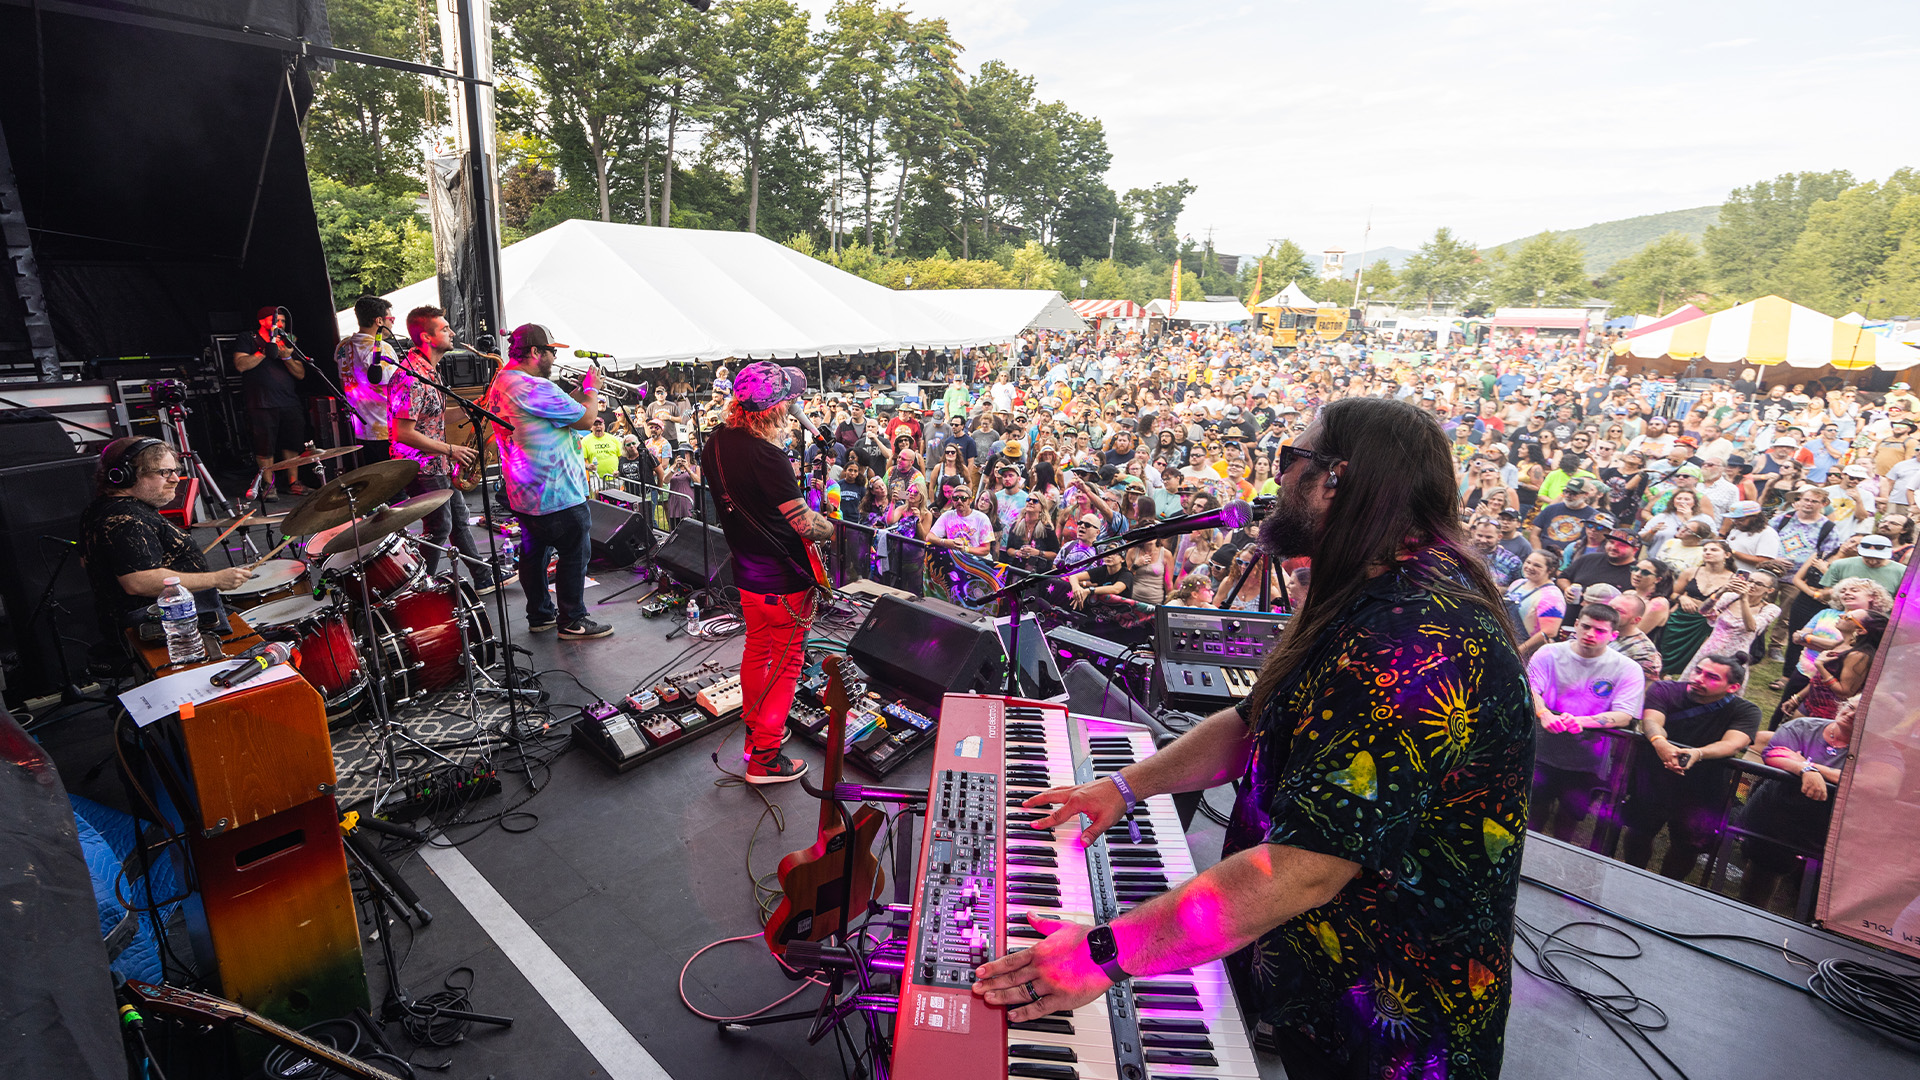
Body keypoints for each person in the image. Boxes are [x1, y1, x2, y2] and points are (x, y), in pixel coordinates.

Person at [973, 397, 1533, 1080]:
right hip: (1320, 976)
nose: (1278, 478)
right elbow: (1252, 723)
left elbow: (1305, 866)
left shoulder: (1417, 639)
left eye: (1291, 459)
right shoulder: (1366, 589)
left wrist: (1102, 955)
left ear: (1335, 479)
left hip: (1395, 1015)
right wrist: (1122, 787)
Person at [700, 362, 831, 782]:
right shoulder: (768, 456)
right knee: (787, 664)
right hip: (784, 579)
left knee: (757, 651)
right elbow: (805, 525)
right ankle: (765, 758)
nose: (794, 406)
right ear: (774, 409)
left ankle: (755, 735)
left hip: (747, 573)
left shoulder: (716, 441)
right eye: (789, 400)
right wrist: (832, 526)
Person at [486, 323, 612, 640]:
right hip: (556, 492)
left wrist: (578, 393)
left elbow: (553, 410)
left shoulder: (503, 380)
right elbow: (586, 419)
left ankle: (540, 615)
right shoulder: (534, 386)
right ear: (535, 352)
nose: (554, 358)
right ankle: (573, 620)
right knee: (574, 554)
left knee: (533, 554)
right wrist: (593, 390)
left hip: (525, 492)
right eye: (551, 352)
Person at [80, 437, 253, 641]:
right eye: (164, 472)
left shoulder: (100, 508)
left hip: (163, 623)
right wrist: (216, 579)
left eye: (175, 471)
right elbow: (137, 581)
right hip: (165, 631)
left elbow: (86, 562)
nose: (175, 479)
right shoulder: (126, 518)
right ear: (126, 475)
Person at [391, 306, 504, 592]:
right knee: (440, 526)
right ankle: (421, 587)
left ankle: (482, 578)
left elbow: (432, 417)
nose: (452, 332)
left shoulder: (430, 371)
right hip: (420, 466)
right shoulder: (411, 376)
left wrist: (472, 410)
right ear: (426, 337)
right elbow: (402, 433)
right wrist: (450, 449)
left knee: (459, 521)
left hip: (437, 462)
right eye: (444, 329)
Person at [1619, 656, 1762, 881]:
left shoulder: (1746, 711)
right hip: (1654, 778)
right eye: (1698, 670)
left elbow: (1733, 743)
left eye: (1712, 677)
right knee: (1639, 832)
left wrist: (1698, 753)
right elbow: (1652, 721)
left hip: (1704, 788)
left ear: (1733, 687)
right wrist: (1660, 742)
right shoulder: (1664, 689)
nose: (1698, 678)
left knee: (1687, 847)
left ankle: (1669, 888)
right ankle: (1633, 878)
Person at [1527, 605, 1647, 843]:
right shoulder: (1549, 653)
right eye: (1586, 626)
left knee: (1569, 818)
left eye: (1600, 631)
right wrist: (1543, 713)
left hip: (1587, 761)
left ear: (1613, 635)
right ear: (1576, 625)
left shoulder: (1627, 668)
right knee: (1532, 812)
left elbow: (1625, 715)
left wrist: (1580, 721)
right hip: (1540, 752)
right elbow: (1530, 689)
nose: (1591, 634)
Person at [232, 305, 308, 498]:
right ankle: (268, 484)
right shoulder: (249, 338)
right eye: (275, 320)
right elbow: (240, 365)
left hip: (288, 400)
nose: (280, 324)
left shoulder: (288, 341)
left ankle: (293, 482)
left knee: (292, 443)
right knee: (264, 445)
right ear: (262, 321)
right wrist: (266, 351)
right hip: (261, 402)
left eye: (282, 320)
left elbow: (300, 374)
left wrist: (287, 357)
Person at [333, 295, 398, 466]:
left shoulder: (342, 347)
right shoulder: (382, 349)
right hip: (386, 428)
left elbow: (343, 383)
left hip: (361, 429)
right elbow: (396, 388)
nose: (392, 324)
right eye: (391, 319)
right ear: (379, 321)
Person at [1505, 550, 1566, 658]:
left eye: (1537, 565)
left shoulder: (1551, 595)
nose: (1529, 567)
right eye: (1528, 562)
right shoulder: (1517, 584)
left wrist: (1518, 651)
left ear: (1550, 570)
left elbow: (1549, 632)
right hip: (1504, 642)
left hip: (1526, 653)